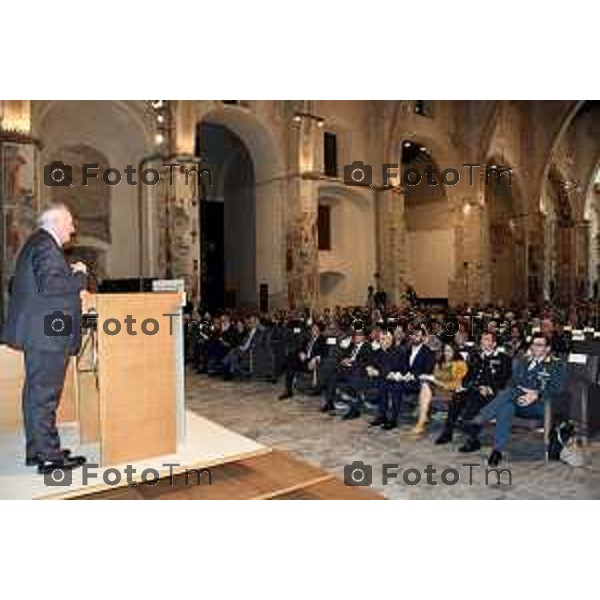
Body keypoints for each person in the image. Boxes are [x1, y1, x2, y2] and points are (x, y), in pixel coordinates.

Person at [2, 203, 88, 475]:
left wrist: (68, 272)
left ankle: (39, 451)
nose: (73, 229)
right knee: (44, 397)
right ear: (56, 223)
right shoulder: (45, 246)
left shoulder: (39, 244)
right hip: (48, 335)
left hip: (43, 333)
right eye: (70, 223)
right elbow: (51, 286)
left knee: (36, 395)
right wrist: (79, 276)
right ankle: (49, 457)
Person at [460, 334, 566, 466]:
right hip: (518, 401)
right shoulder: (524, 362)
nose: (534, 347)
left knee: (508, 393)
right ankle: (497, 451)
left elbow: (558, 388)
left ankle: (480, 418)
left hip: (541, 405)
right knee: (506, 407)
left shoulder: (556, 365)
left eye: (539, 345)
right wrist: (521, 393)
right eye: (533, 344)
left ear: (547, 348)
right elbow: (512, 382)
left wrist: (537, 394)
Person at [435, 331, 511, 446]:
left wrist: (490, 388)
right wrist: (462, 385)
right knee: (457, 398)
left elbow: (504, 379)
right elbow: (468, 374)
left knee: (473, 403)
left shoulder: (503, 358)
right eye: (482, 339)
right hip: (473, 389)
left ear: (494, 343)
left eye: (486, 339)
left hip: (490, 392)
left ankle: (473, 439)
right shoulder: (476, 356)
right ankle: (447, 432)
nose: (482, 341)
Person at [413, 343, 467, 434]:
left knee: (427, 388)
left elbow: (456, 385)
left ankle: (422, 419)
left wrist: (436, 381)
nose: (447, 353)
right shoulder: (439, 364)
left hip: (452, 392)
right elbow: (435, 377)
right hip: (438, 390)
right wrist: (429, 378)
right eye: (445, 351)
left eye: (449, 351)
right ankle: (421, 421)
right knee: (425, 385)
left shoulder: (460, 364)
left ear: (455, 352)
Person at [279, 321, 327, 399]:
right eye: (312, 328)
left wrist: (315, 359)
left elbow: (324, 352)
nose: (312, 330)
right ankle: (288, 391)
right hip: (304, 360)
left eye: (315, 328)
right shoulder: (308, 339)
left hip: (312, 362)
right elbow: (300, 348)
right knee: (291, 360)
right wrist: (300, 353)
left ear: (320, 330)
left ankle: (289, 387)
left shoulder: (322, 340)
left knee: (291, 363)